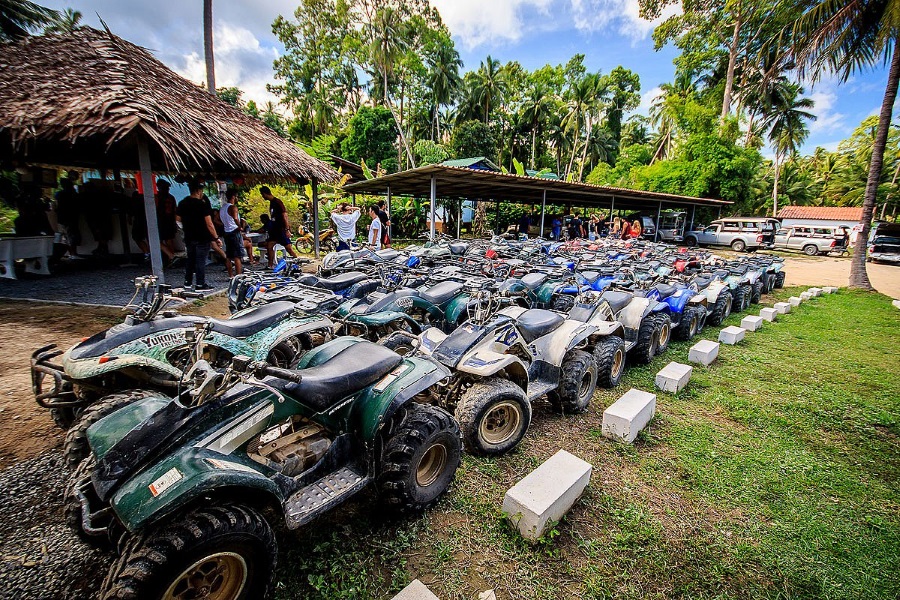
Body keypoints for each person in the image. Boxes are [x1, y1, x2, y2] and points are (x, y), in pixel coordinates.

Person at [176, 181, 218, 291]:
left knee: (190, 259)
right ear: (199, 191)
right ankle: (200, 284)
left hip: (189, 236)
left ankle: (187, 282)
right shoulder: (202, 204)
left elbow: (177, 220)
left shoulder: (182, 203)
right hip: (202, 236)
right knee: (200, 261)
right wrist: (216, 237)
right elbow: (209, 223)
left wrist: (185, 229)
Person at [260, 186, 298, 266]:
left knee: (288, 248)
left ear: (265, 193)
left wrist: (287, 229)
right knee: (269, 246)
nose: (262, 197)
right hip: (275, 230)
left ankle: (297, 262)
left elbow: (285, 215)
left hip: (281, 229)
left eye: (262, 195)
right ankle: (270, 265)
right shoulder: (272, 203)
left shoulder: (278, 202)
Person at [54, 177, 81, 257]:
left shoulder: (60, 194)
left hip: (63, 217)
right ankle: (73, 253)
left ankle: (71, 253)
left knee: (66, 236)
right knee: (71, 235)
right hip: (71, 217)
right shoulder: (73, 194)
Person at [220, 189, 243, 276]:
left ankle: (230, 275)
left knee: (229, 255)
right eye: (236, 196)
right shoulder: (233, 207)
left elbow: (217, 219)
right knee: (237, 255)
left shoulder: (223, 208)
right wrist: (240, 227)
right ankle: (239, 275)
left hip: (226, 232)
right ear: (233, 197)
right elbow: (235, 218)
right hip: (234, 231)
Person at [155, 180, 177, 264]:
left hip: (161, 220)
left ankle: (171, 256)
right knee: (169, 240)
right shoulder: (171, 197)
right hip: (169, 221)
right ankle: (172, 257)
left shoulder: (157, 197)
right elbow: (175, 210)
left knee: (157, 240)